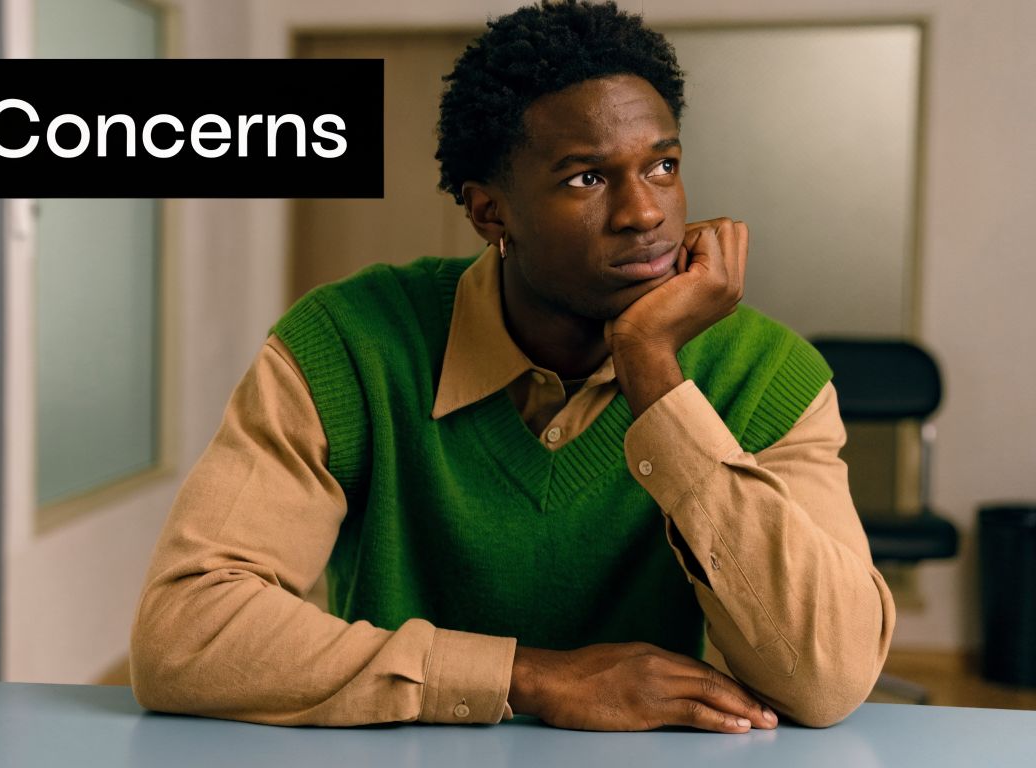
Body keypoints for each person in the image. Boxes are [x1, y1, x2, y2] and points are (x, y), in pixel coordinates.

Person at [130, 0, 894, 732]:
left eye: (662, 165)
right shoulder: (349, 345)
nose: (644, 212)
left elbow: (828, 677)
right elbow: (183, 634)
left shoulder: (767, 374)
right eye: (586, 177)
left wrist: (655, 375)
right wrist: (532, 678)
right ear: (489, 212)